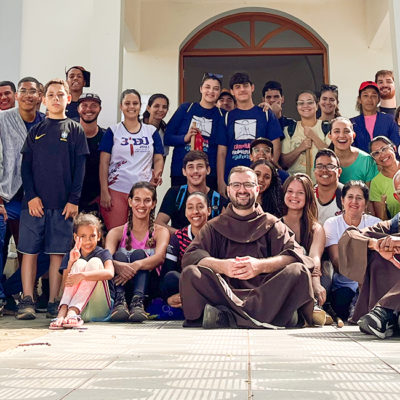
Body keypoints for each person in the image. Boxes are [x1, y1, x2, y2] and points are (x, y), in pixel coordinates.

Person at [180, 166, 315, 329]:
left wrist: (260, 266)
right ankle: (277, 315)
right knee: (190, 273)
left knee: (298, 271)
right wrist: (223, 266)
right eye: (236, 185)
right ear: (228, 190)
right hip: (226, 293)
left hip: (266, 293)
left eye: (248, 185)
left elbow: (297, 256)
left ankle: (226, 316)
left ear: (257, 189)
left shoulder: (271, 224)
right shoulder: (213, 226)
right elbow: (191, 256)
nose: (242, 190)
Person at [16, 79, 89, 320]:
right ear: (43, 100)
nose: (56, 99)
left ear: (69, 99)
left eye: (60, 95)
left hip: (63, 205)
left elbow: (80, 169)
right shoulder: (36, 130)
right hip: (34, 205)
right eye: (51, 95)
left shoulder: (76, 130)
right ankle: (27, 299)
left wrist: (74, 200)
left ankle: (53, 300)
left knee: (58, 253)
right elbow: (25, 168)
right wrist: (32, 197)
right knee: (29, 252)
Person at [0, 77, 45, 312]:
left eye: (33, 91)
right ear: (17, 95)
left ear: (41, 96)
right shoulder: (3, 119)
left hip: (34, 198)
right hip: (5, 195)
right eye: (23, 91)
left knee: (41, 250)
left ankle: (12, 289)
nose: (28, 95)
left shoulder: (47, 123)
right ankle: (2, 297)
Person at [338, 170, 400, 338]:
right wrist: (375, 244)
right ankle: (389, 316)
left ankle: (385, 312)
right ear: (397, 196)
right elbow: (350, 236)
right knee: (376, 254)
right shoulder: (395, 224)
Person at [99, 89, 164, 231]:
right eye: (127, 103)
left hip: (143, 192)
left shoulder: (151, 131)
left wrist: (157, 173)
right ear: (121, 106)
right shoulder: (113, 131)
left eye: (135, 103)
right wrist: (104, 190)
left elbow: (158, 158)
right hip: (116, 189)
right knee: (116, 233)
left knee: (141, 233)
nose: (131, 107)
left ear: (140, 106)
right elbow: (103, 163)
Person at [105, 182, 169, 322]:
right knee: (119, 255)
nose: (142, 205)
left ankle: (138, 303)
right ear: (130, 202)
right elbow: (106, 258)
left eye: (147, 200)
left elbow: (159, 257)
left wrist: (136, 265)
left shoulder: (161, 231)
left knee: (139, 254)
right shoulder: (115, 232)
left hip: (148, 290)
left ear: (153, 204)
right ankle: (120, 303)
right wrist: (119, 266)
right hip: (121, 287)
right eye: (137, 200)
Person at [217, 73, 283, 195]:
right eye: (237, 87)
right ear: (232, 91)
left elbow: (276, 145)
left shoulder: (266, 114)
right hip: (233, 177)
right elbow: (221, 152)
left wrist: (269, 171)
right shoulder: (226, 117)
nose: (242, 89)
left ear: (252, 88)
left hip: (260, 179)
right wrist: (220, 181)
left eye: (245, 85)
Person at [324, 181, 381, 321]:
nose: (354, 201)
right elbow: (337, 263)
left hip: (371, 286)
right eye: (350, 197)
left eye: (359, 198)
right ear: (342, 201)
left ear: (366, 203)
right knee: (343, 302)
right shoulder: (332, 224)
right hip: (344, 285)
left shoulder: (375, 223)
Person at [49, 213, 114, 329]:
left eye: (92, 236)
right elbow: (64, 287)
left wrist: (83, 276)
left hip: (99, 308)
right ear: (75, 237)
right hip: (79, 313)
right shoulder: (71, 255)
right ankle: (63, 311)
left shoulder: (103, 253)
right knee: (79, 263)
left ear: (98, 236)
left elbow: (110, 273)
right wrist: (71, 263)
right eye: (83, 236)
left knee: (94, 262)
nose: (87, 241)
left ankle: (72, 310)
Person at [164, 73, 225, 189]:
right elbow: (167, 137)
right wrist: (184, 138)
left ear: (219, 92)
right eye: (207, 87)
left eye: (215, 89)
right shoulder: (186, 108)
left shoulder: (222, 115)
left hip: (209, 174)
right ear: (201, 89)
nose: (211, 91)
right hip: (181, 171)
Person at [282, 174, 326, 314]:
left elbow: (315, 258)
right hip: (287, 276)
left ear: (308, 196)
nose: (294, 196)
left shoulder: (316, 228)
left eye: (300, 193)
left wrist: (316, 284)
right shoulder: (276, 224)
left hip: (312, 275)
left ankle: (313, 306)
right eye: (290, 191)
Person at [160, 192, 211, 310]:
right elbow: (167, 272)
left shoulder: (217, 234)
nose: (195, 212)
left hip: (210, 285)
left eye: (200, 206)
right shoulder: (178, 237)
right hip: (186, 284)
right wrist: (168, 298)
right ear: (185, 212)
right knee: (171, 277)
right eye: (190, 207)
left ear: (208, 210)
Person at [156, 151, 225, 235]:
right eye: (190, 167)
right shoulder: (175, 193)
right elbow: (159, 224)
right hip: (179, 246)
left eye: (200, 166)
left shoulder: (218, 200)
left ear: (208, 170)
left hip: (208, 246)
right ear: (184, 171)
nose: (195, 171)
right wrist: (185, 236)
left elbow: (226, 231)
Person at [280, 90, 330, 182]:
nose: (305, 106)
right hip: (296, 185)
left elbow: (331, 157)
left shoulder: (326, 128)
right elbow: (284, 163)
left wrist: (314, 137)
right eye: (301, 103)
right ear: (297, 107)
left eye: (310, 102)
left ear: (317, 106)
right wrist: (300, 148)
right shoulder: (290, 130)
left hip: (321, 184)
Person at [350, 81, 399, 153]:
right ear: (359, 99)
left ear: (378, 99)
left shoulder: (390, 120)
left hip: (386, 162)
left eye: (373, 96)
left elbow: (396, 145)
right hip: (362, 163)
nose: (369, 99)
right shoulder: (352, 123)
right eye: (365, 95)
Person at [77, 93, 106, 214]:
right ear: (78, 109)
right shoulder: (69, 135)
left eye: (93, 105)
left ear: (100, 109)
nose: (88, 109)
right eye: (84, 105)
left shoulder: (106, 136)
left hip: (97, 201)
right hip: (71, 201)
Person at [329, 117, 378, 185]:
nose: (342, 135)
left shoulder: (367, 161)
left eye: (346, 131)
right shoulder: (322, 160)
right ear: (330, 136)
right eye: (337, 131)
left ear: (353, 135)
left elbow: (370, 193)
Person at [369, 136, 400, 220]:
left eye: (384, 149)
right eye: (376, 153)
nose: (382, 155)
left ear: (394, 148)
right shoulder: (376, 183)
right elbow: (382, 220)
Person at [313, 149, 343, 225]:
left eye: (330, 166)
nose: (324, 170)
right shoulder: (308, 194)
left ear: (339, 172)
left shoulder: (347, 195)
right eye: (319, 166)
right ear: (314, 171)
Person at [142, 93, 170, 158]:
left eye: (164, 107)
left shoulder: (165, 131)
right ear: (148, 108)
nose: (160, 110)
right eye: (156, 106)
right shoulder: (136, 125)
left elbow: (163, 157)